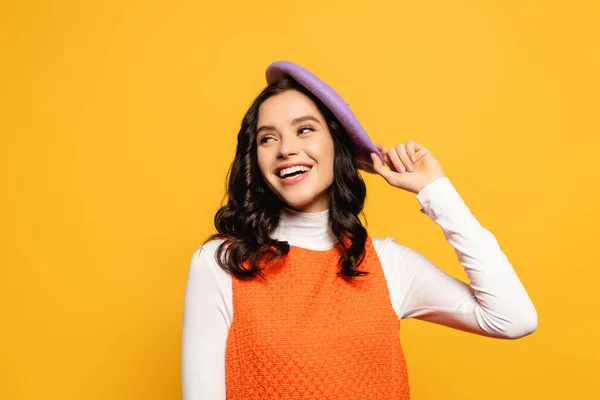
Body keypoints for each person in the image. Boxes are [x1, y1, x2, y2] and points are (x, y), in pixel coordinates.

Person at [181, 61, 538, 399]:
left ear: (339, 146)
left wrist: (436, 190)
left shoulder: (388, 264)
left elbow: (513, 318)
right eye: (267, 139)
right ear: (254, 159)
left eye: (304, 129)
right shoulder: (221, 264)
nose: (286, 149)